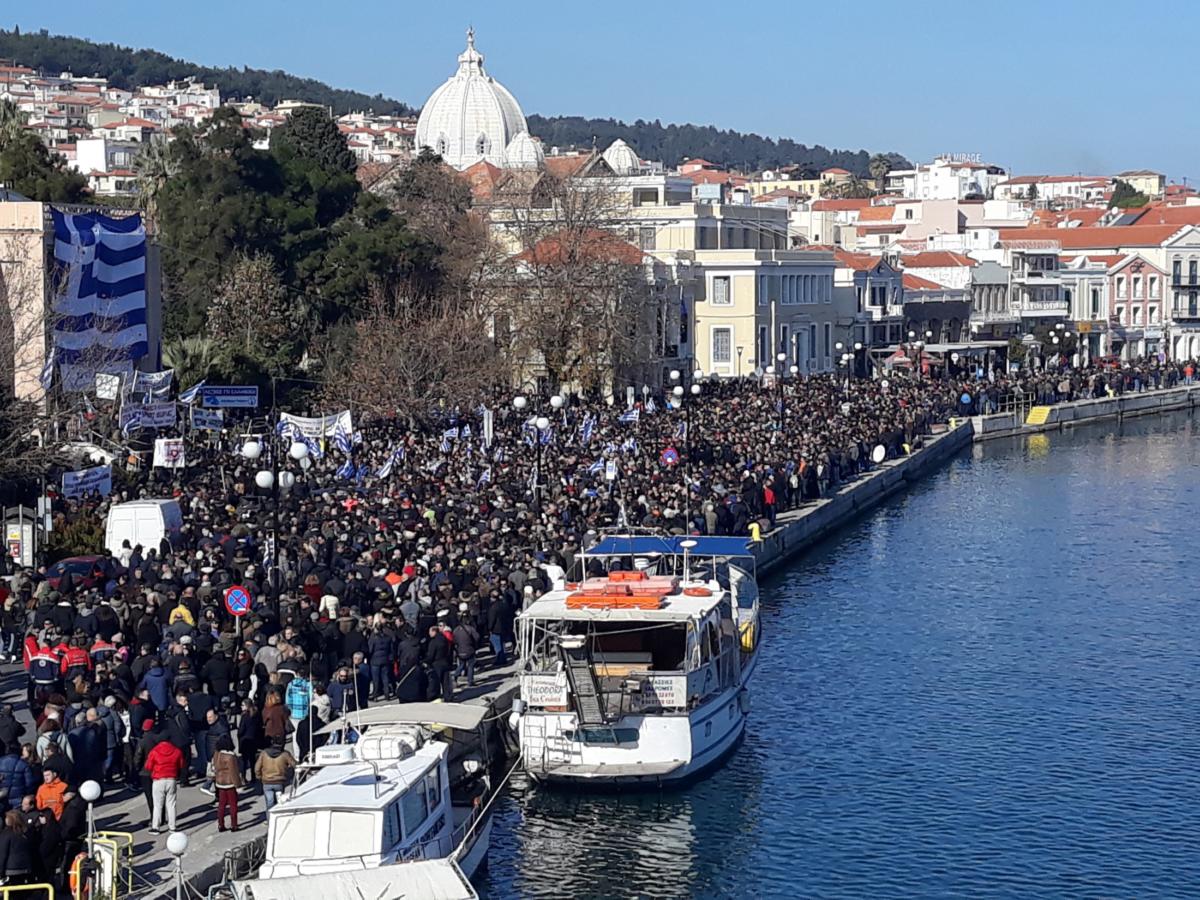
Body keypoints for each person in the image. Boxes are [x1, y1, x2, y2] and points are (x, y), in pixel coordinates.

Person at [144, 732, 185, 834]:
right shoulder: (177, 751)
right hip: (171, 779)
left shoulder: (155, 751)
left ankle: (156, 827)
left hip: (158, 780)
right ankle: (172, 827)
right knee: (171, 804)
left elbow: (148, 766)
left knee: (157, 805)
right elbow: (181, 765)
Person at [254, 737, 296, 811]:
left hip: (267, 781)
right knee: (279, 803)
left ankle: (270, 820)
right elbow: (294, 764)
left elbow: (257, 768)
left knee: (269, 804)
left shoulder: (264, 753)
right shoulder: (285, 754)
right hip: (280, 782)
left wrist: (259, 776)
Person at [211, 736, 242, 832]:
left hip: (220, 782)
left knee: (221, 805)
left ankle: (221, 824)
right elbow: (234, 772)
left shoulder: (217, 754)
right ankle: (234, 825)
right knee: (233, 805)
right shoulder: (230, 757)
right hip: (230, 783)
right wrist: (238, 785)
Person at [0, 809, 33, 886]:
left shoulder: (6, 834)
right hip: (25, 869)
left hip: (11, 870)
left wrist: (0, 872)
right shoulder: (25, 833)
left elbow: (2, 854)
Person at [0, 743, 35, 812]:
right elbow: (29, 783)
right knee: (16, 819)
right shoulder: (24, 764)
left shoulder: (1, 761)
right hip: (18, 799)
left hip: (2, 797)